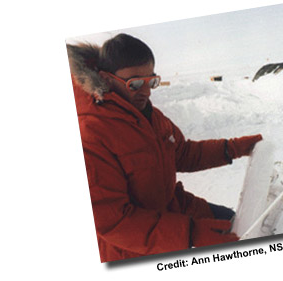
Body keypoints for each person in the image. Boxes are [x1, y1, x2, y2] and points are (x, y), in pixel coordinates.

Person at [66, 33, 263, 263]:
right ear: (106, 79)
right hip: (128, 245)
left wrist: (233, 148)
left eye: (152, 81)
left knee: (238, 224)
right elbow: (113, 222)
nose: (147, 92)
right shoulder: (91, 132)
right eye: (136, 83)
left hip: (170, 210)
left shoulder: (150, 116)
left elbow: (184, 153)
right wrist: (191, 234)